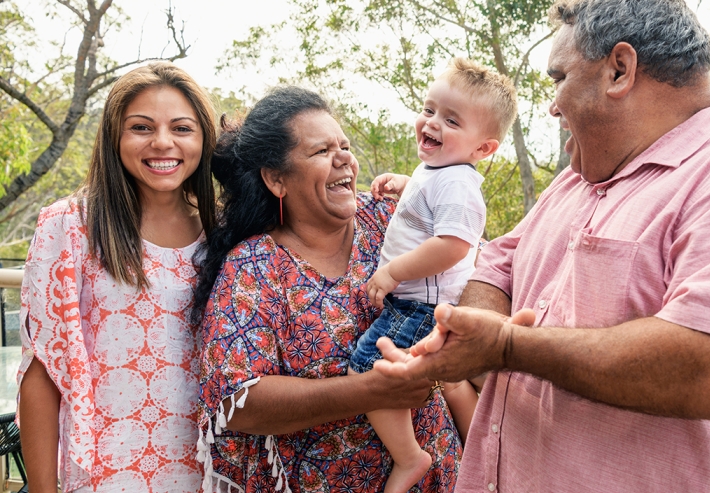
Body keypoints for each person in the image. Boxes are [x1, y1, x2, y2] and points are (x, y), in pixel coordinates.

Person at [376, 0, 710, 491]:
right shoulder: (572, 183)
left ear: (619, 70)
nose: (553, 105)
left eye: (559, 78)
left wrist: (511, 347)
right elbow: (494, 266)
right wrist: (474, 330)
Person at [193, 86, 461, 493]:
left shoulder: (391, 219)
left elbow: (472, 265)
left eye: (345, 146)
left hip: (440, 475)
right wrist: (367, 390)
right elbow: (238, 401)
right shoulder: (255, 267)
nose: (345, 159)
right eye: (321, 151)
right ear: (276, 179)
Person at [17, 62, 217, 493]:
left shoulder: (224, 232)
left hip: (209, 469)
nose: (162, 142)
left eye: (182, 128)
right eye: (141, 127)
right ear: (114, 137)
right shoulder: (68, 225)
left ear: (203, 138)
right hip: (105, 472)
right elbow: (42, 369)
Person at [350, 57, 518, 493]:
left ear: (483, 149)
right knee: (451, 379)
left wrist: (391, 272)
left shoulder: (459, 185)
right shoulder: (440, 171)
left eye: (451, 120)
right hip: (424, 302)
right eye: (429, 110)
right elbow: (432, 201)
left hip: (419, 304)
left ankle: (410, 458)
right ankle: (476, 453)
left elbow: (453, 245)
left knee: (366, 368)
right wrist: (409, 184)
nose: (432, 123)